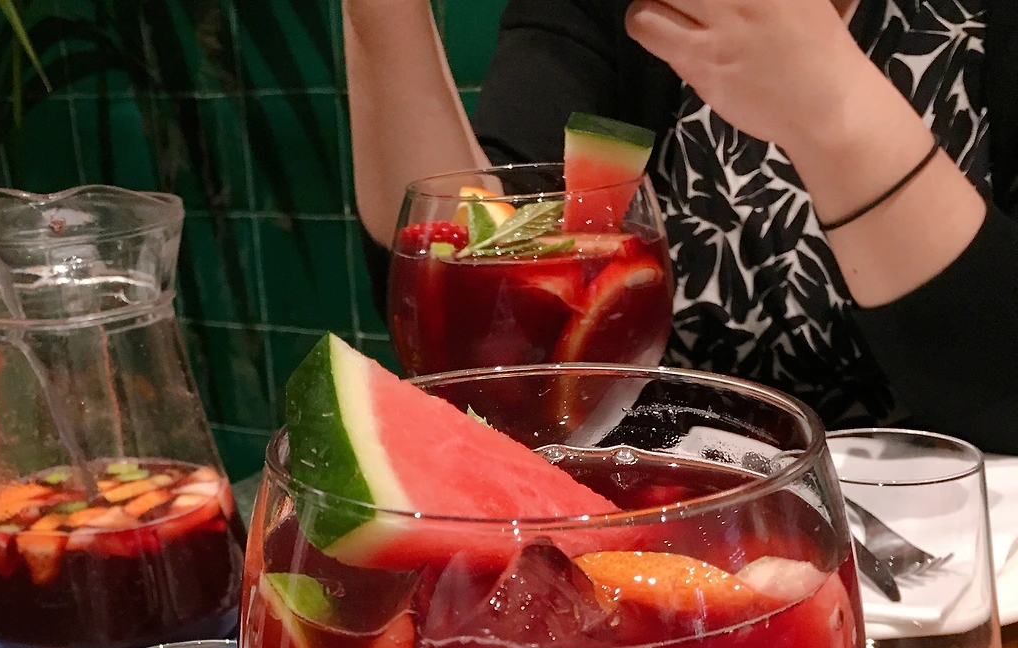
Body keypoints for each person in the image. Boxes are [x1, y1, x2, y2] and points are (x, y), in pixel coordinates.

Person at [344, 0, 1018, 452]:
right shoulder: (612, 12)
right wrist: (382, 15)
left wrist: (833, 106)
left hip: (964, 572)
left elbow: (1001, 401)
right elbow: (483, 325)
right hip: (655, 530)